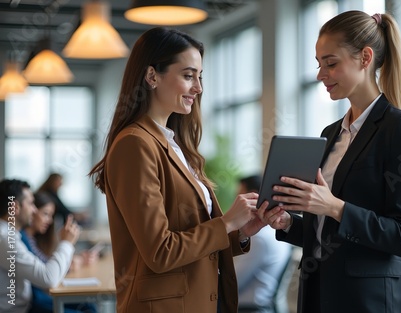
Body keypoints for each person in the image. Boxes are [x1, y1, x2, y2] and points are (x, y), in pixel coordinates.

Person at [258, 11, 401, 313]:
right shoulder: (331, 133)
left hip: (370, 301)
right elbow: (328, 233)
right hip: (320, 293)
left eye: (331, 63)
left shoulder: (400, 128)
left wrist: (334, 206)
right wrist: (288, 223)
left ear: (365, 58)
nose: (320, 74)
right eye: (319, 63)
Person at [88, 27, 264, 313]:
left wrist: (240, 231)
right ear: (152, 76)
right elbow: (160, 252)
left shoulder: (174, 144)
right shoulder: (135, 144)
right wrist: (226, 223)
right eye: (188, 75)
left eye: (199, 76)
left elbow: (192, 237)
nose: (199, 87)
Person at [0, 178, 80, 313]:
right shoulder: (5, 238)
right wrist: (66, 243)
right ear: (14, 207)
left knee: (88, 306)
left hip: (26, 306)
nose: (34, 209)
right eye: (31, 203)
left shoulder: (11, 235)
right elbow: (49, 278)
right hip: (20, 310)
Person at [20, 192, 98, 313]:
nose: (50, 221)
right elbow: (46, 272)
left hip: (43, 295)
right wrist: (67, 244)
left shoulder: (34, 239)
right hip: (36, 300)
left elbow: (45, 263)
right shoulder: (21, 239)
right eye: (45, 214)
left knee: (88, 305)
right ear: (32, 211)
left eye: (51, 215)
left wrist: (74, 260)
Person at [234, 175, 292, 312]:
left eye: (239, 197)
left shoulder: (259, 238)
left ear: (253, 197)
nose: (234, 203)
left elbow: (234, 282)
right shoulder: (275, 233)